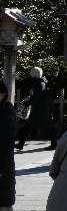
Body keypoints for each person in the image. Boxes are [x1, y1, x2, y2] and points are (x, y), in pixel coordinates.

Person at [15, 67, 54, 151]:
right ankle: (21, 144)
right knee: (29, 126)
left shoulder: (39, 84)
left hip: (40, 109)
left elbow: (35, 97)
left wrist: (27, 103)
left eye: (31, 73)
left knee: (45, 126)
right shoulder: (41, 83)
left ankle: (54, 144)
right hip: (40, 108)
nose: (30, 75)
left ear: (34, 74)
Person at [0, 81, 16, 211]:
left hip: (3, 163)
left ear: (3, 94)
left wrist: (2, 167)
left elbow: (6, 142)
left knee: (4, 201)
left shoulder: (6, 112)